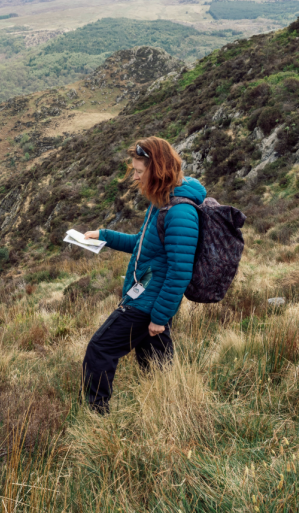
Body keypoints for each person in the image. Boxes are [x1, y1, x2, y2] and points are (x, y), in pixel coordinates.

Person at [81, 136, 206, 413]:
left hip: (147, 302)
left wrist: (159, 318)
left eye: (139, 172)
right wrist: (102, 236)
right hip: (150, 298)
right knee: (155, 363)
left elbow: (180, 271)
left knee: (100, 349)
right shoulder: (161, 203)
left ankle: (95, 414)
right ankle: (173, 410)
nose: (135, 178)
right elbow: (140, 245)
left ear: (157, 170)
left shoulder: (180, 212)